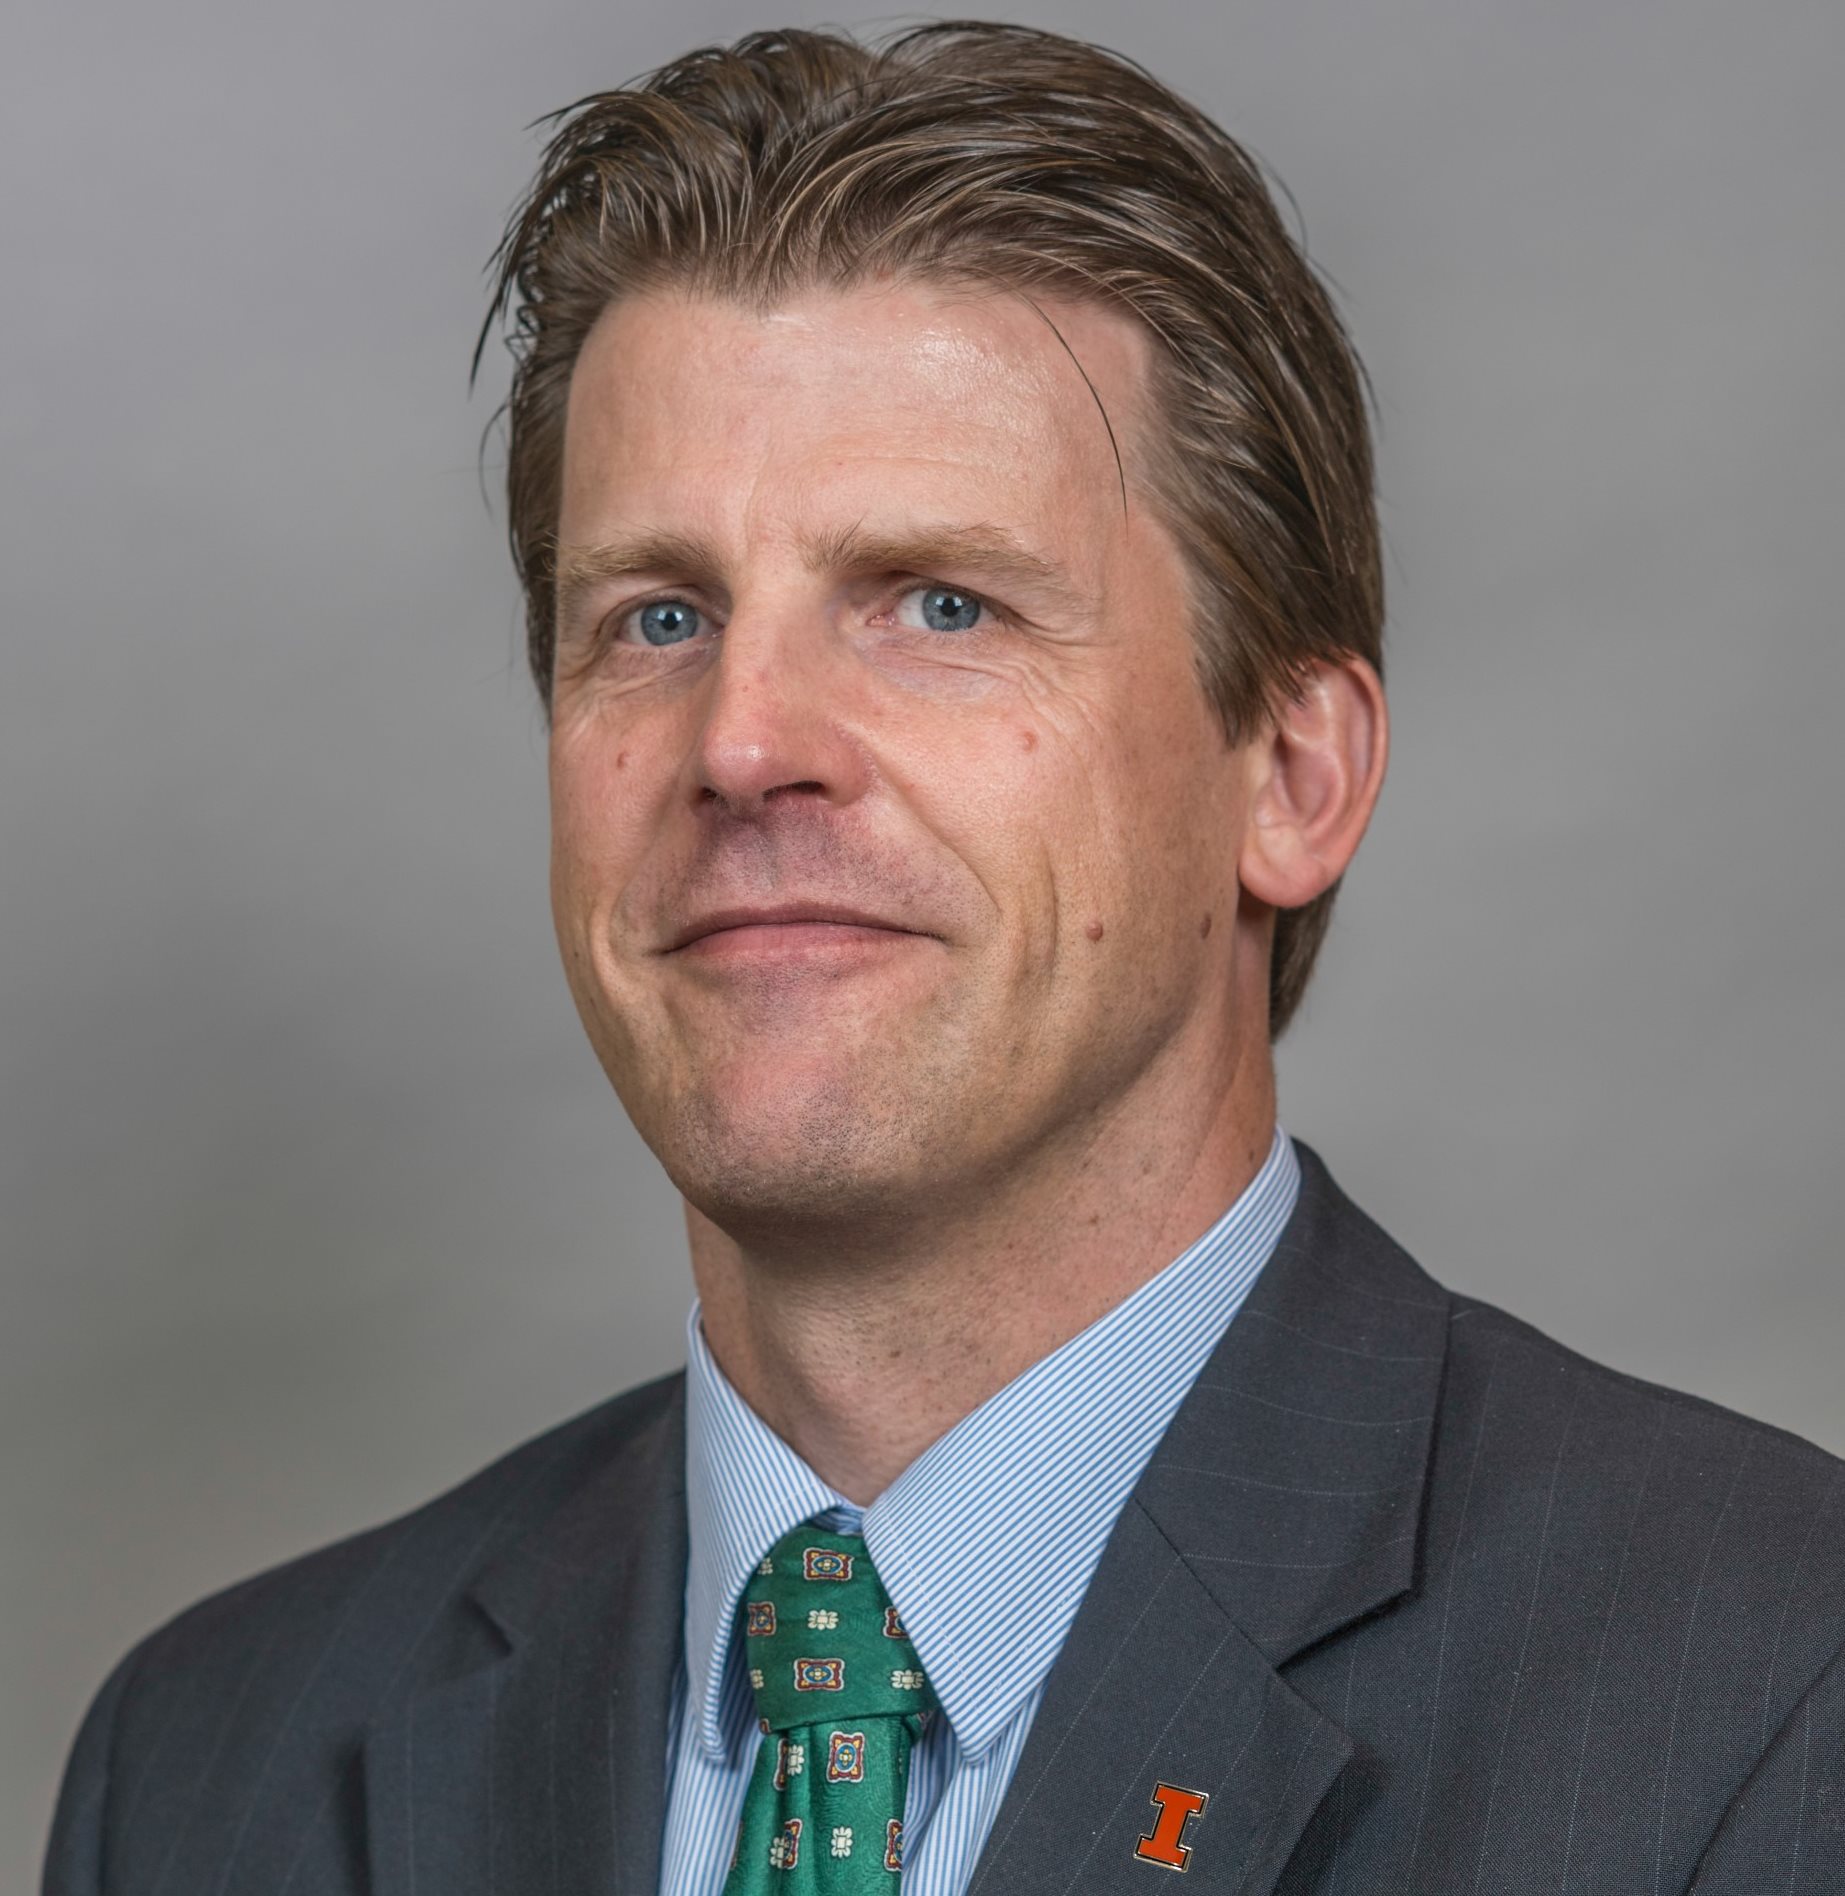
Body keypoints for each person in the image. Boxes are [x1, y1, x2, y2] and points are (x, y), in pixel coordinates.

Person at [42, 22, 1843, 1895]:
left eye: (939, 604)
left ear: (1290, 777)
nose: (744, 741)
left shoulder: (1768, 1701)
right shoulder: (209, 1770)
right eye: (656, 619)